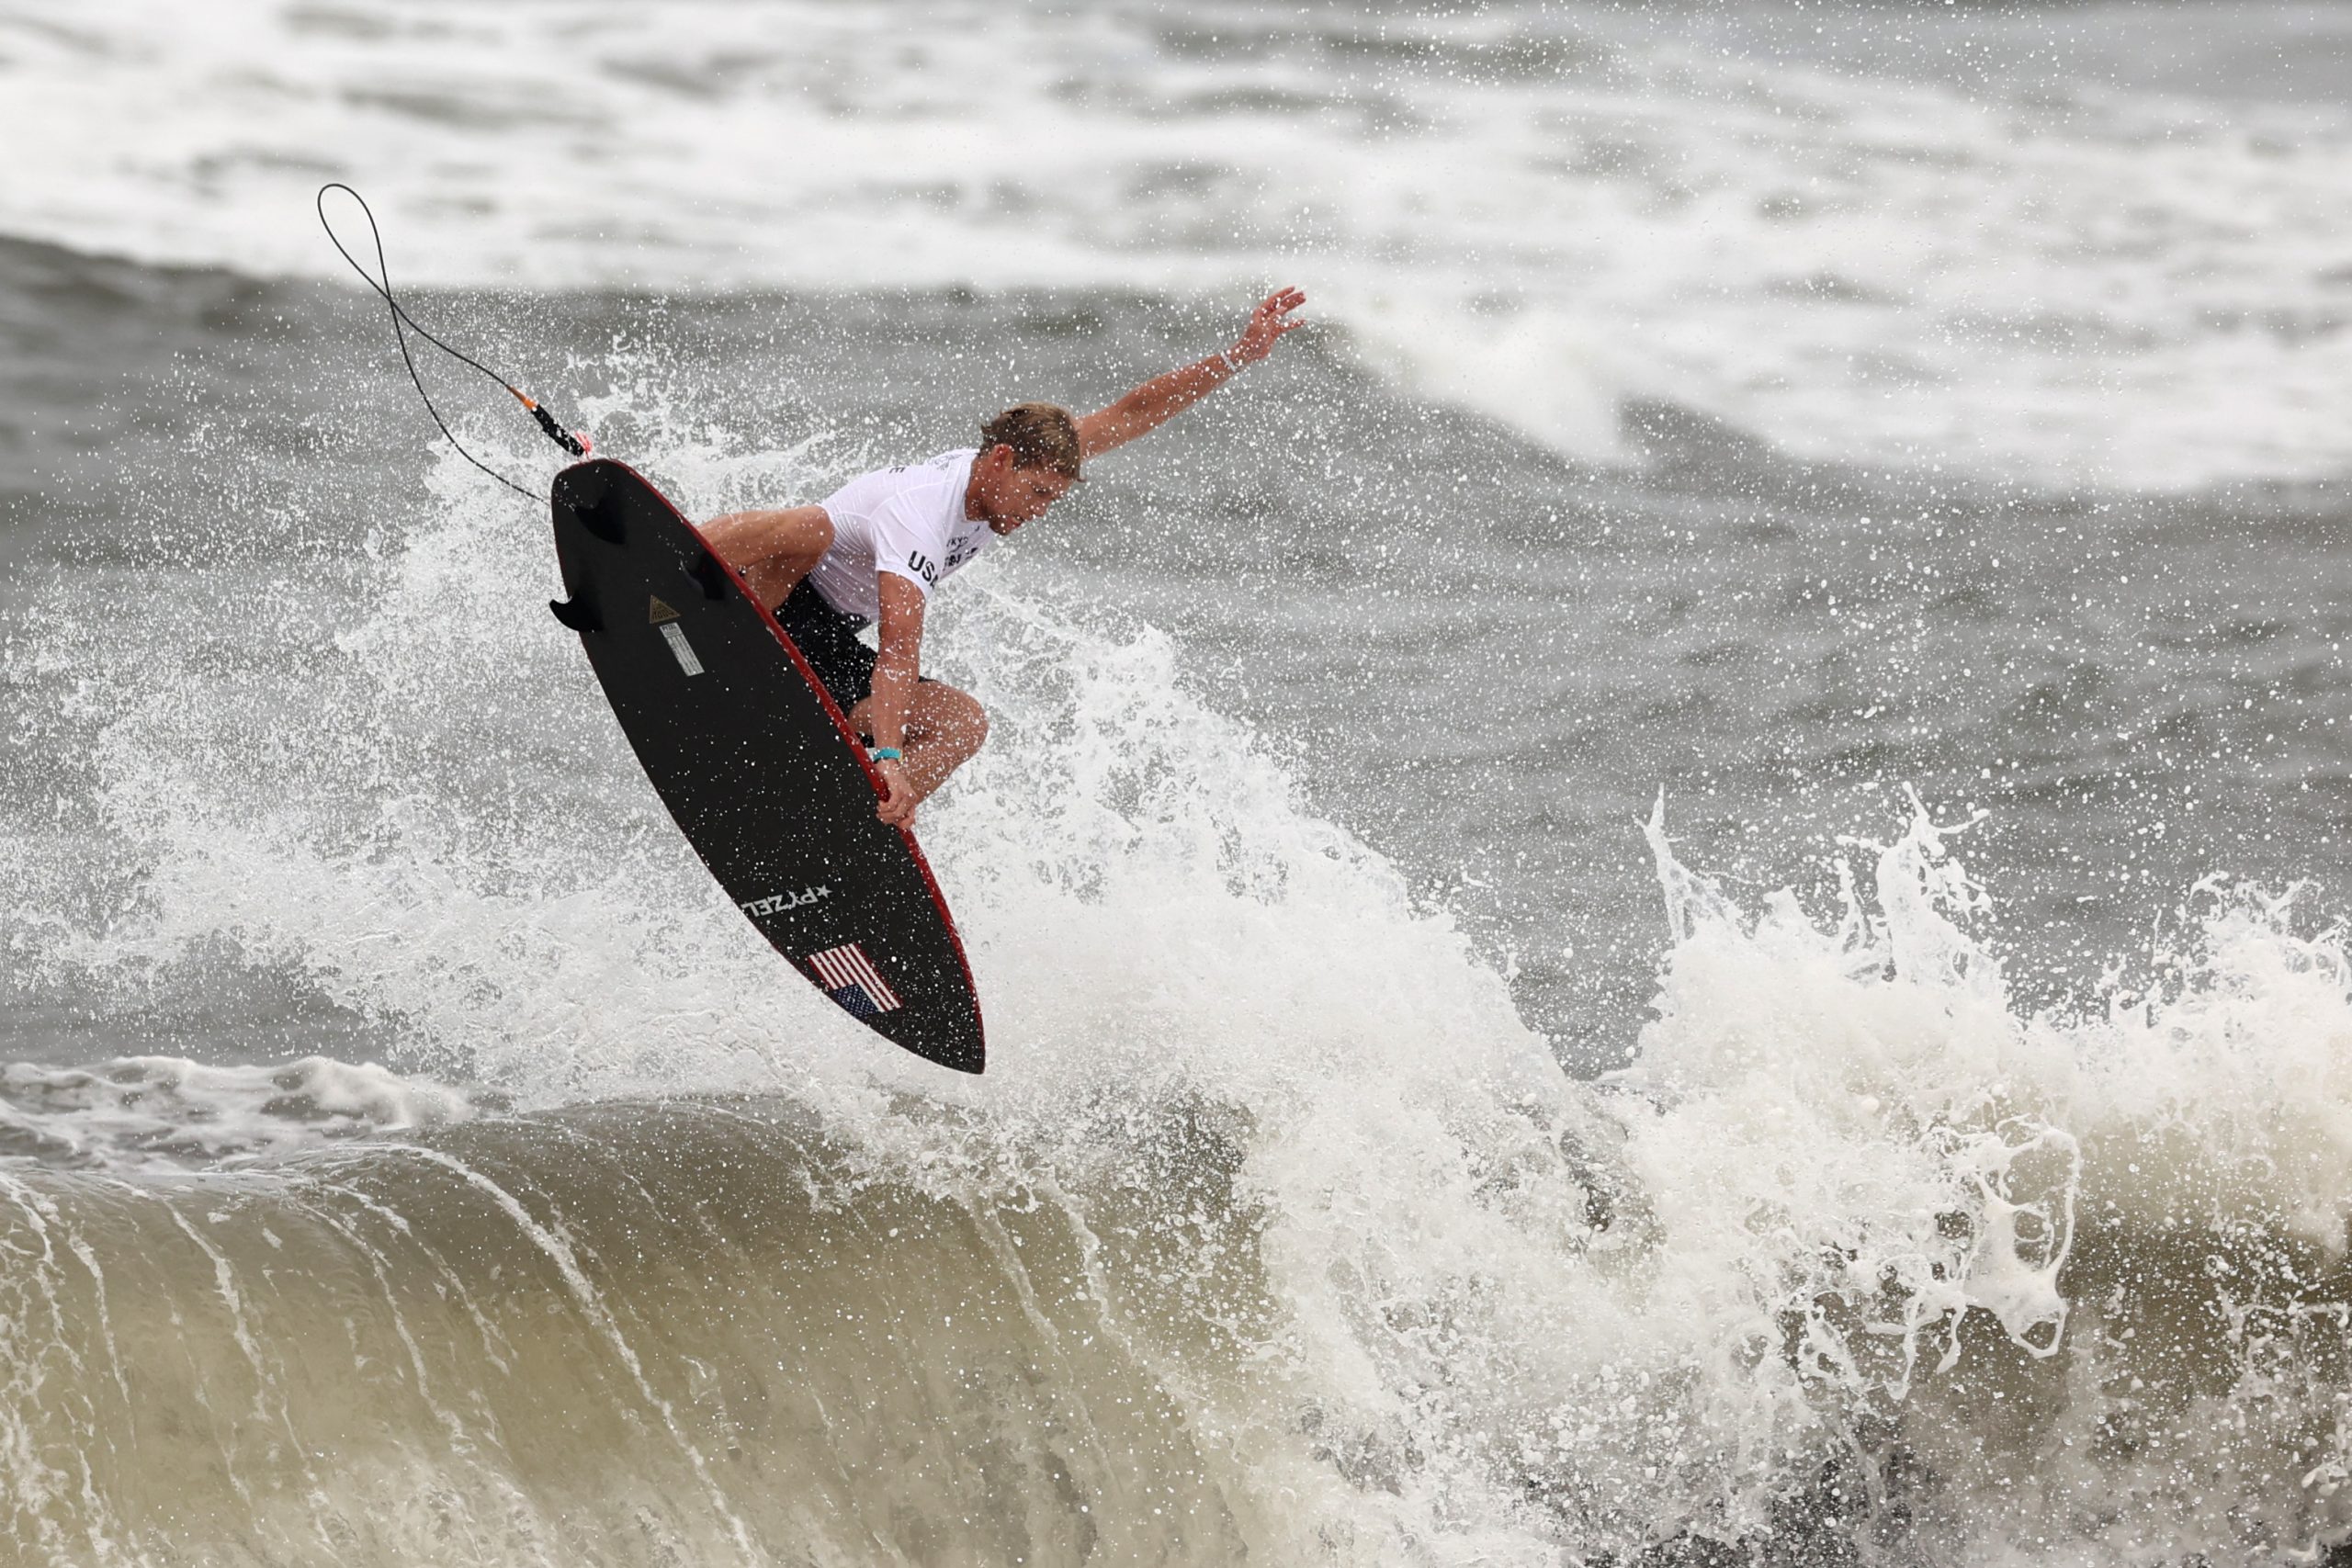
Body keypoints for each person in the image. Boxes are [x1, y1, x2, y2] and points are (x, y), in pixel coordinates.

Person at [704, 287, 1307, 829]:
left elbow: (1133, 412)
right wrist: (890, 750)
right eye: (1039, 493)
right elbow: (898, 648)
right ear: (999, 464)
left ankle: (854, 813)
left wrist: (1237, 356)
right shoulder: (923, 512)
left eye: (1054, 498)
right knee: (810, 527)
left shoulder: (1014, 471)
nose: (1042, 509)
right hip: (769, 606)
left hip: (828, 647)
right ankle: (670, 560)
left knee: (962, 724)